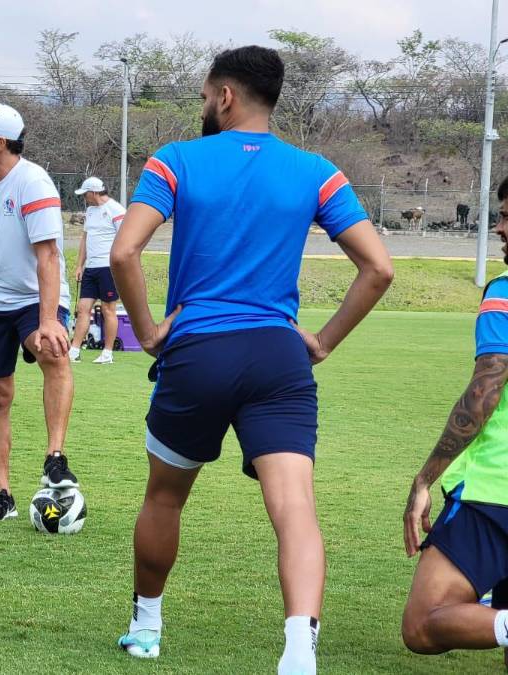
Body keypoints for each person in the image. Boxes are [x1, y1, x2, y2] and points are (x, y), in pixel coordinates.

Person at [109, 46, 393, 674]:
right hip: (277, 356)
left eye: (205, 96)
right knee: (295, 508)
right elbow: (379, 268)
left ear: (226, 95)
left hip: (198, 351)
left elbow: (124, 252)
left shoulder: (176, 159)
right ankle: (298, 653)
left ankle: (147, 628)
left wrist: (149, 332)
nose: (204, 106)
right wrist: (322, 342)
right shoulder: (317, 171)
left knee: (164, 498)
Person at [0, 102, 78, 523]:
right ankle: (2, 495)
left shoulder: (33, 183)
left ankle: (55, 458)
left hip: (36, 297)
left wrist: (48, 319)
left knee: (53, 351)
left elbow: (48, 256)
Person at [400, 179, 508, 666]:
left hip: (495, 491)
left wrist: (425, 478)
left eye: (507, 217)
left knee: (424, 624)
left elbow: (485, 392)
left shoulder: (504, 292)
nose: (499, 228)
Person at [68, 176, 127, 364]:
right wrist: (80, 265)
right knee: (83, 308)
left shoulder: (116, 210)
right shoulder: (90, 210)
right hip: (91, 269)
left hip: (108, 268)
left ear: (93, 193)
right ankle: (74, 350)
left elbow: (126, 239)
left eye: (85, 194)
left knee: (108, 309)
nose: (84, 197)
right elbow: (85, 239)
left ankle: (107, 353)